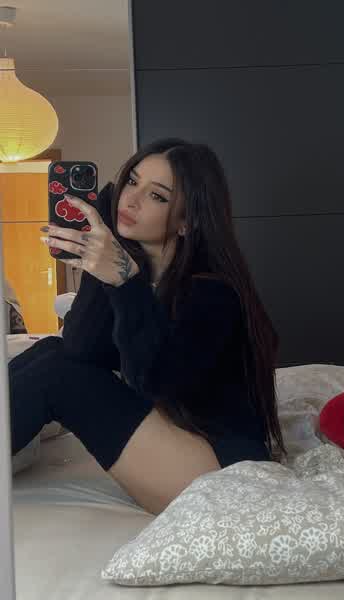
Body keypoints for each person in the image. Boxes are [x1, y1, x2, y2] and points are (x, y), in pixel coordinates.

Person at [9, 138, 286, 515]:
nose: (132, 200)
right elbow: (81, 348)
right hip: (179, 448)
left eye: (157, 196)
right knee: (50, 352)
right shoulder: (143, 275)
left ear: (186, 222)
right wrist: (105, 259)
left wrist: (123, 281)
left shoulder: (213, 292)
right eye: (132, 181)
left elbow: (154, 379)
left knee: (54, 373)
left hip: (219, 469)